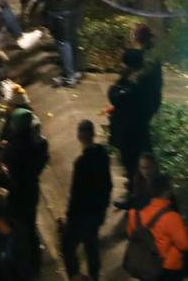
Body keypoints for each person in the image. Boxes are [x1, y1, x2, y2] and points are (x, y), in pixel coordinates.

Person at [59, 118, 111, 281]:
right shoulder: (102, 155)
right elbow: (107, 185)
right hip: (96, 212)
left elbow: (76, 193)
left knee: (67, 247)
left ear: (79, 136)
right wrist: (102, 208)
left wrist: (70, 214)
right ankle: (93, 276)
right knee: (91, 246)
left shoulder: (81, 163)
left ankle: (75, 276)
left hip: (80, 214)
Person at [108, 48, 157, 203]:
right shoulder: (141, 81)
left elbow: (115, 97)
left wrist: (124, 82)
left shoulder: (135, 84)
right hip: (134, 130)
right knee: (133, 166)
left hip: (131, 133)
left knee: (132, 166)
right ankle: (135, 195)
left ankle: (135, 199)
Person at [123, 174, 188, 281]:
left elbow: (131, 235)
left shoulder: (134, 213)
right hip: (167, 268)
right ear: (167, 191)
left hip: (142, 263)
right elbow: (184, 245)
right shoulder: (171, 217)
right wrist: (187, 230)